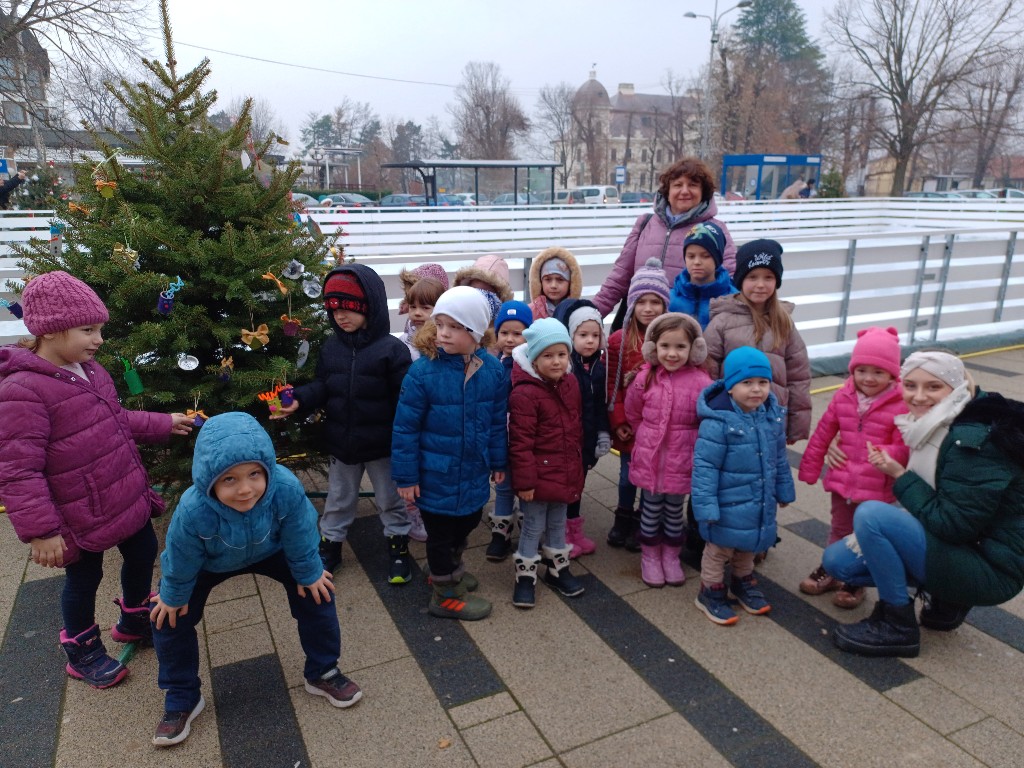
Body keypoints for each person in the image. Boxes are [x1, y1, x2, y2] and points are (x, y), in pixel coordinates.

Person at [0, 270, 193, 689]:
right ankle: (82, 648)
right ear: (51, 331)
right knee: (84, 579)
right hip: (77, 514)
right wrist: (41, 531)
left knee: (143, 551)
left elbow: (115, 419)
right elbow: (18, 470)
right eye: (88, 330)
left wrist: (163, 422)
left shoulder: (90, 370)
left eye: (99, 329)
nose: (99, 340)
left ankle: (134, 618)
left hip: (123, 492)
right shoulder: (22, 390)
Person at [150, 412, 361, 747]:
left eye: (254, 474)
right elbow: (180, 556)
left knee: (318, 591)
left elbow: (301, 531)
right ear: (209, 480)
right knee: (167, 616)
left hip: (271, 551)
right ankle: (182, 695)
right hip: (210, 563)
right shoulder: (193, 510)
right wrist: (173, 594)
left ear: (267, 471)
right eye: (229, 479)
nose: (245, 489)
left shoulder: (285, 488)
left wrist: (308, 572)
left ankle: (323, 671)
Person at [823, 351, 1024, 658]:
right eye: (910, 385)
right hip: (973, 544)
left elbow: (953, 525)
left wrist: (900, 476)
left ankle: (897, 625)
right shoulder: (945, 418)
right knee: (839, 562)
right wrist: (837, 440)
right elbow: (872, 418)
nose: (918, 397)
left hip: (993, 569)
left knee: (872, 516)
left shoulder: (972, 442)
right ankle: (948, 598)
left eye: (933, 386)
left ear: (955, 387)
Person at [272, 264, 414, 583]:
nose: (341, 316)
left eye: (349, 308)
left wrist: (406, 442)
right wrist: (299, 399)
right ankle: (330, 546)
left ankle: (398, 546)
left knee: (389, 499)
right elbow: (323, 385)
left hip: (382, 446)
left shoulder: (392, 350)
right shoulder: (332, 348)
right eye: (334, 309)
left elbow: (404, 401)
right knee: (338, 499)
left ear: (370, 307)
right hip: (343, 443)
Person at [392, 286, 509, 621]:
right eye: (440, 324)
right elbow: (405, 428)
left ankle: (448, 569)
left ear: (476, 331)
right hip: (436, 474)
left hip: (472, 470)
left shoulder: (492, 370)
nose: (443, 332)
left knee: (468, 521)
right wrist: (406, 477)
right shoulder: (423, 373)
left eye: (455, 326)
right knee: (441, 534)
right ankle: (445, 595)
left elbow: (496, 421)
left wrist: (498, 460)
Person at [797, 327, 909, 608]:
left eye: (878, 372)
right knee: (839, 527)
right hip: (843, 480)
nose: (868, 378)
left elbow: (904, 446)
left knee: (866, 535)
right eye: (861, 370)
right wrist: (810, 467)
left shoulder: (900, 404)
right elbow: (824, 432)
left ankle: (856, 579)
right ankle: (831, 569)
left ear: (892, 374)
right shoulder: (843, 396)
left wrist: (885, 453)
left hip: (876, 485)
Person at [692, 347, 796, 625]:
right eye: (747, 382)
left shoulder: (770, 417)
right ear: (730, 386)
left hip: (758, 499)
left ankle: (742, 582)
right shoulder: (718, 422)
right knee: (719, 550)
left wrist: (784, 489)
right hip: (726, 504)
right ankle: (710, 591)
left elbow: (779, 458)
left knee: (749, 544)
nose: (756, 389)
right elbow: (705, 468)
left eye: (763, 382)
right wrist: (706, 507)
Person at [624, 313, 712, 587]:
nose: (672, 354)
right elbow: (633, 412)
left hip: (682, 461)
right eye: (665, 346)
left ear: (694, 349)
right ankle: (650, 556)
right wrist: (646, 435)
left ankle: (671, 556)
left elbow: (707, 421)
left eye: (680, 347)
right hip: (650, 460)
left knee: (674, 512)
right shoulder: (644, 378)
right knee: (650, 510)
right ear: (653, 347)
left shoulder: (702, 382)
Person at [592, 157, 737, 316]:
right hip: (642, 322)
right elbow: (618, 278)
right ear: (667, 191)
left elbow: (728, 283)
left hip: (687, 325)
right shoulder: (645, 224)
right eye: (678, 185)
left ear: (704, 192)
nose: (684, 191)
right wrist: (591, 315)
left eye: (693, 185)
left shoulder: (715, 230)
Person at [507, 318, 586, 608]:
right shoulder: (524, 393)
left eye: (562, 354)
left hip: (564, 472)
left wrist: (576, 467)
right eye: (548, 355)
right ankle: (525, 575)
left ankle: (557, 568)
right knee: (532, 526)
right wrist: (525, 482)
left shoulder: (570, 383)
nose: (556, 361)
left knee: (557, 523)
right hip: (537, 476)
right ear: (534, 359)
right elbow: (520, 443)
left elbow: (575, 427)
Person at [704, 239, 811, 445]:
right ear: (741, 279)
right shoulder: (722, 322)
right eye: (753, 277)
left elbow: (799, 377)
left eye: (768, 277)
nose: (760, 285)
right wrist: (711, 416)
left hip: (773, 420)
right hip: (732, 420)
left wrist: (796, 426)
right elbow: (708, 374)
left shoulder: (784, 323)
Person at [606, 259, 670, 551]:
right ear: (632, 304)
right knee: (627, 476)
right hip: (630, 426)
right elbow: (612, 385)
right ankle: (623, 517)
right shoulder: (619, 341)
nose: (648, 308)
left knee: (650, 476)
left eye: (655, 302)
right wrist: (619, 421)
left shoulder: (669, 341)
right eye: (642, 301)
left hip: (657, 425)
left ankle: (645, 520)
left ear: (665, 305)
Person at [553, 298, 611, 558]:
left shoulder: (598, 369)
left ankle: (574, 531)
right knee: (565, 488)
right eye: (583, 335)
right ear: (571, 336)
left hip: (586, 441)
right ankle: (560, 534)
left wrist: (602, 432)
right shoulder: (566, 368)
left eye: (595, 335)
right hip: (567, 442)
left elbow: (600, 405)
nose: (590, 341)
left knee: (578, 486)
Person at [486, 299, 533, 562]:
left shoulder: (532, 365)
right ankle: (500, 532)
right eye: (504, 332)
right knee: (503, 485)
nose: (510, 339)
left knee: (526, 485)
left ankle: (529, 531)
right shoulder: (493, 364)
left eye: (518, 333)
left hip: (525, 437)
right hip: (501, 436)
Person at [667, 221, 738, 329]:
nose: (697, 262)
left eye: (705, 256)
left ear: (717, 259)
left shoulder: (734, 299)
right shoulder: (669, 298)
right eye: (691, 256)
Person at [397, 262, 449, 363]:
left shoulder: (447, 340)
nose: (417, 313)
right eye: (413, 307)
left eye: (425, 308)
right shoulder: (403, 341)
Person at [527, 246, 582, 320]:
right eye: (548, 279)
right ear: (540, 282)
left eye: (560, 279)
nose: (553, 285)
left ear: (571, 283)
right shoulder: (530, 311)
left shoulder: (577, 312)